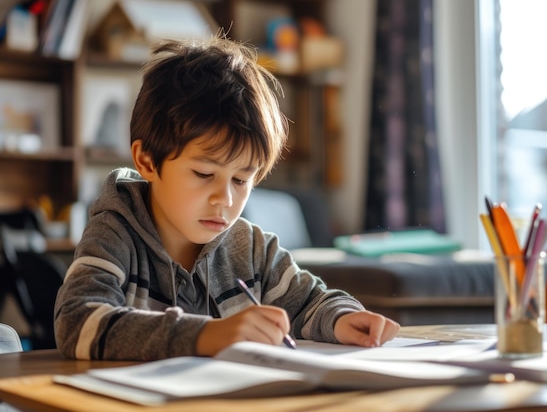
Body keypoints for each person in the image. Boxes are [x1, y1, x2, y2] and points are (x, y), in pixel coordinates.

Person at [54, 34, 399, 361]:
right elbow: (76, 323)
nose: (225, 198)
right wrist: (206, 335)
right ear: (147, 161)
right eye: (204, 174)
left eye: (241, 179)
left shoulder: (251, 248)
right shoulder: (115, 234)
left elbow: (311, 303)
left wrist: (344, 318)